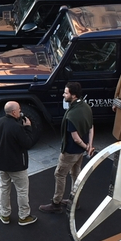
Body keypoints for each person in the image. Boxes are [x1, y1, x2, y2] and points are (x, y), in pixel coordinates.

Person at [39, 82, 94, 215]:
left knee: (60, 174)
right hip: (80, 152)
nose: (63, 94)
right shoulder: (86, 107)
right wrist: (89, 146)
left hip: (70, 152)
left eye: (66, 93)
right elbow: (91, 127)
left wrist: (86, 146)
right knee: (76, 173)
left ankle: (56, 203)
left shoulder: (71, 116)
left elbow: (75, 138)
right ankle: (75, 200)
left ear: (73, 95)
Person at [0, 101, 39, 226]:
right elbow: (28, 143)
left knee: (4, 188)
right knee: (22, 190)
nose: (21, 111)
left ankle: (4, 214)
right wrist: (28, 127)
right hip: (17, 165)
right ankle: (24, 216)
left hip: (2, 163)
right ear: (14, 112)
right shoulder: (18, 127)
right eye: (19, 109)